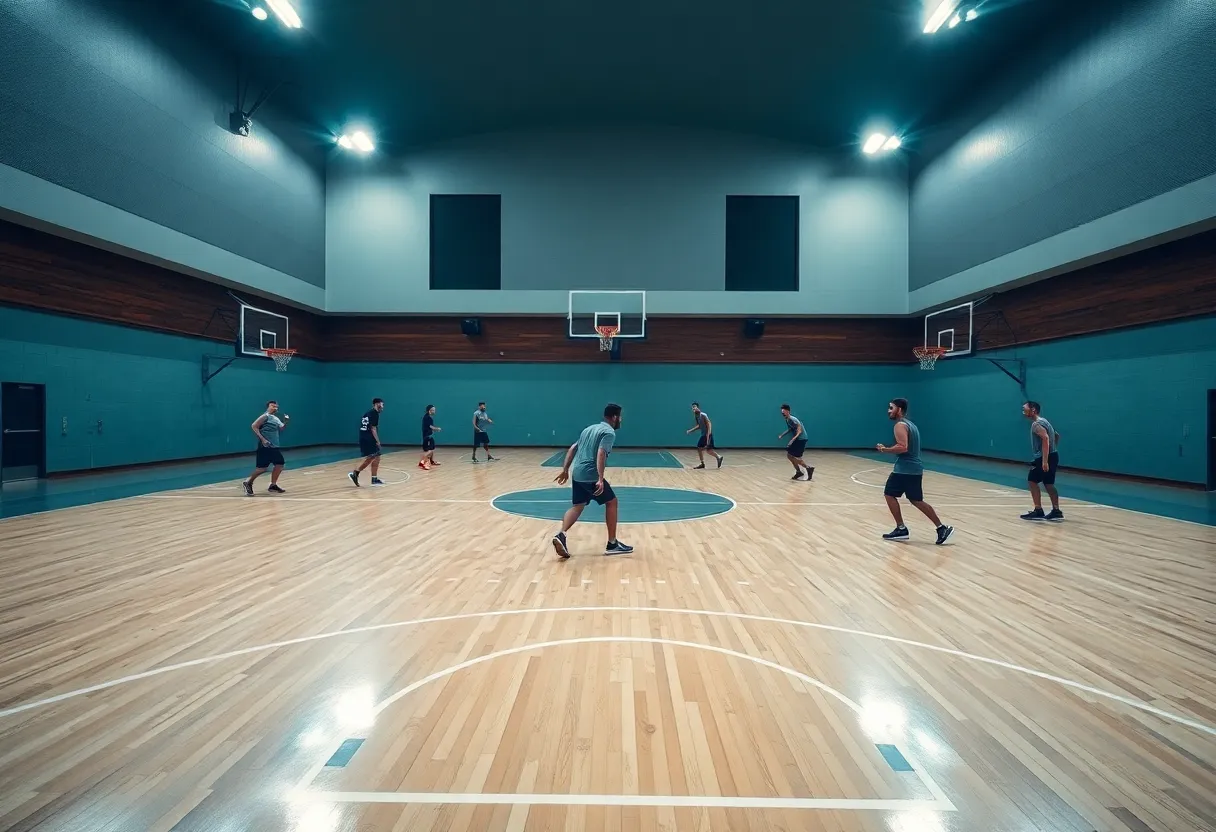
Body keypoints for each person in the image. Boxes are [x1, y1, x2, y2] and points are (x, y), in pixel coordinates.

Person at [551, 403, 634, 558]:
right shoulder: (609, 432)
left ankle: (561, 534)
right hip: (590, 475)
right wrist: (600, 479)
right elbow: (601, 453)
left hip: (577, 473)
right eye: (620, 417)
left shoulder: (588, 429)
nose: (621, 420)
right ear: (615, 417)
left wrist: (565, 470)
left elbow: (572, 448)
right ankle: (612, 543)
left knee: (577, 506)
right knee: (612, 502)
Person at [876, 398, 953, 544]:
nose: (888, 410)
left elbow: (903, 447)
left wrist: (884, 449)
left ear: (899, 409)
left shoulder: (900, 425)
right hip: (914, 469)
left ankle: (901, 528)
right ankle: (941, 528)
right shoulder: (911, 425)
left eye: (891, 408)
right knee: (916, 500)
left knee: (889, 494)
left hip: (905, 469)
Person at [1021, 401, 1064, 521]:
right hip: (1050, 455)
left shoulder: (1037, 424)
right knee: (1033, 479)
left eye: (1025, 408)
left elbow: (1045, 438)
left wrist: (1045, 460)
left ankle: (1053, 510)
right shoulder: (1045, 421)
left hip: (1046, 458)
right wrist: (1052, 450)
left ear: (1033, 409)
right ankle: (1041, 509)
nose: (1023, 411)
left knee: (1047, 484)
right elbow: (1056, 436)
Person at [242, 400, 289, 495]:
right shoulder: (265, 416)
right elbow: (254, 426)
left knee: (279, 464)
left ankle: (273, 485)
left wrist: (286, 421)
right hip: (265, 446)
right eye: (272, 406)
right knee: (262, 468)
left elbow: (282, 427)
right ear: (268, 407)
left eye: (276, 407)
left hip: (274, 446)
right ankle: (248, 482)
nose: (275, 408)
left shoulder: (275, 418)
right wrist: (263, 439)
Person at [349, 398, 385, 487]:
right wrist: (378, 441)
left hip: (365, 437)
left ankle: (374, 479)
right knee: (371, 458)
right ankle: (355, 473)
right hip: (368, 438)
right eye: (382, 404)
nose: (383, 407)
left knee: (377, 457)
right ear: (377, 404)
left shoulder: (368, 413)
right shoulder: (374, 413)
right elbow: (373, 429)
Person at [778, 404, 813, 480]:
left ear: (788, 411)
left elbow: (799, 430)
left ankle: (808, 468)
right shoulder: (787, 420)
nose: (782, 414)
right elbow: (791, 429)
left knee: (794, 457)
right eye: (782, 412)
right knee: (789, 455)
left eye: (784, 412)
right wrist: (782, 435)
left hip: (801, 439)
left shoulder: (792, 419)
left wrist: (793, 439)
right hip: (798, 439)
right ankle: (799, 472)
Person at [685, 402, 723, 469]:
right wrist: (690, 430)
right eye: (692, 407)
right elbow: (699, 426)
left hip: (708, 434)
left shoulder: (703, 415)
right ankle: (702, 463)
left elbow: (709, 425)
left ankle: (718, 457)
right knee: (699, 448)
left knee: (708, 450)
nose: (693, 408)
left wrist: (708, 436)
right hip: (703, 435)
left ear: (698, 407)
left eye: (694, 406)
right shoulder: (696, 416)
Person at [419, 405, 441, 470]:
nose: (434, 411)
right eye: (433, 410)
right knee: (429, 451)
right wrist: (437, 429)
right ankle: (422, 462)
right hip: (427, 436)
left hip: (429, 436)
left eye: (434, 410)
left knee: (432, 449)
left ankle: (431, 461)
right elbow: (430, 426)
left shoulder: (428, 417)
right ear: (429, 411)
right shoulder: (428, 418)